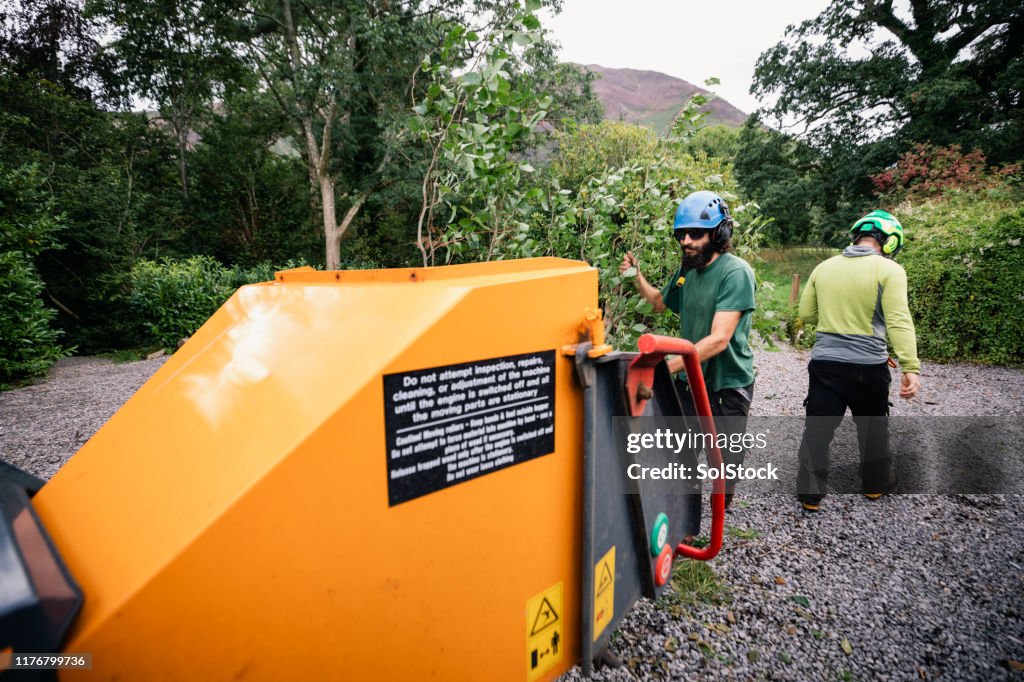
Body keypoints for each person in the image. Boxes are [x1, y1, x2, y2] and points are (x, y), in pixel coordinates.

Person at [619, 190, 756, 503]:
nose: (686, 241)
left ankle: (722, 503)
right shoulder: (688, 270)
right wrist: (636, 276)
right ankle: (687, 516)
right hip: (689, 381)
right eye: (681, 234)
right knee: (680, 454)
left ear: (719, 233)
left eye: (695, 233)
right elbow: (657, 303)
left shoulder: (736, 273)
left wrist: (666, 368)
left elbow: (720, 339)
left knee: (723, 459)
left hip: (727, 384)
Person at [795, 209, 921, 512]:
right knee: (873, 426)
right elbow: (898, 320)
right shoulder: (890, 270)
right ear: (890, 242)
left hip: (825, 363)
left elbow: (807, 315)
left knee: (818, 427)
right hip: (869, 366)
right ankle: (875, 486)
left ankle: (810, 495)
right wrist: (910, 367)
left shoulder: (823, 268)